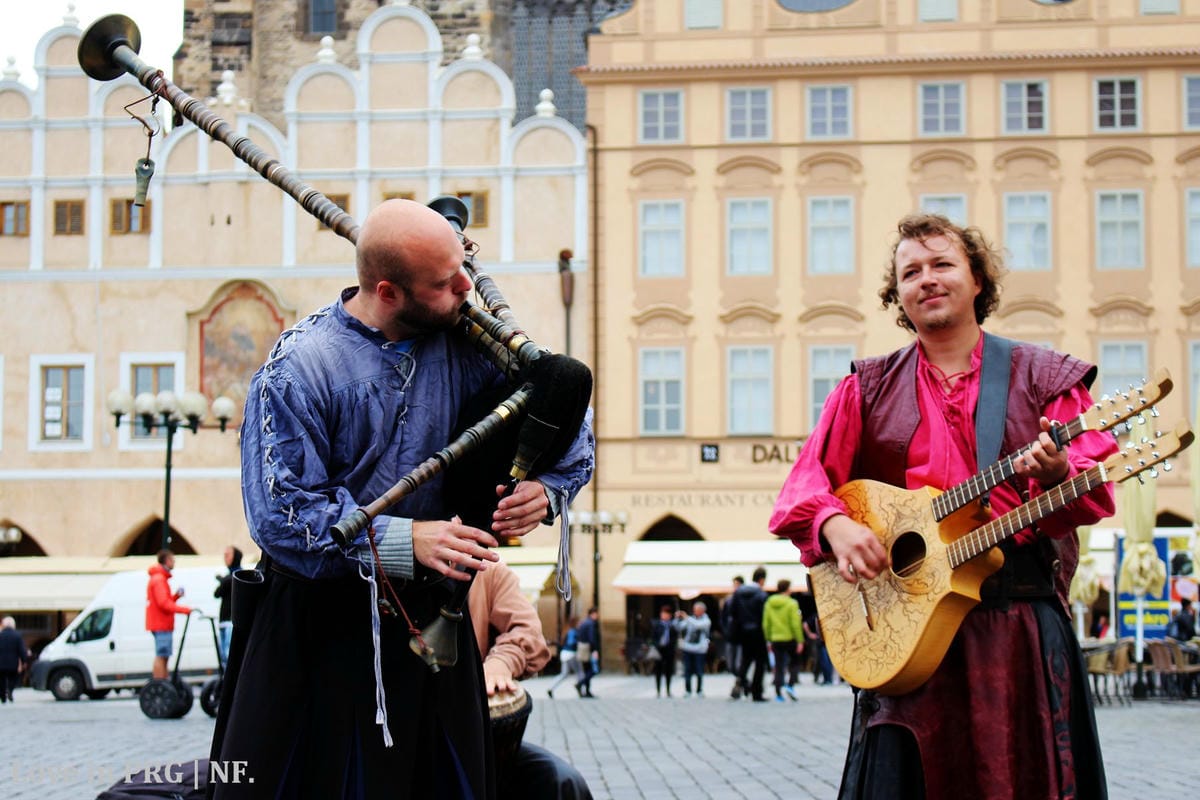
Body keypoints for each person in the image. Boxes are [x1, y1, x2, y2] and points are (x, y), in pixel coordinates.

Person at [214, 198, 594, 799]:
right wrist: (403, 538)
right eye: (445, 283)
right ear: (388, 292)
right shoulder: (298, 370)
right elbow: (281, 517)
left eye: (462, 269)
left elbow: (565, 405)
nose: (467, 288)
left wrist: (549, 491)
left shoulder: (466, 342)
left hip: (429, 628)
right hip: (320, 630)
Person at [769, 213, 1117, 799]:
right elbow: (803, 488)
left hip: (1018, 635)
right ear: (899, 295)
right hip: (908, 636)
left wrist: (1058, 476)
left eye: (942, 264)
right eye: (911, 271)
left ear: (977, 279)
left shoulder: (1044, 378)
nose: (926, 279)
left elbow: (1090, 479)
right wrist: (833, 525)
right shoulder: (866, 388)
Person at [467, 560, 592, 800]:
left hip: (475, 737)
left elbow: (528, 632)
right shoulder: (378, 558)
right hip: (398, 735)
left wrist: (501, 662)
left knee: (563, 782)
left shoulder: (486, 569)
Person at [146, 549, 192, 680]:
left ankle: (163, 683)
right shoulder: (159, 579)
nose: (174, 562)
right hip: (161, 624)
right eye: (172, 560)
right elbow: (164, 604)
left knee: (164, 655)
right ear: (166, 560)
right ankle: (160, 684)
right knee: (162, 655)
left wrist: (176, 596)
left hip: (162, 623)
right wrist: (185, 610)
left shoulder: (159, 579)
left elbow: (164, 601)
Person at [727, 566, 769, 701]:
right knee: (760, 662)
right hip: (758, 631)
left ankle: (741, 682)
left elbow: (732, 611)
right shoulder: (761, 595)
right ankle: (756, 692)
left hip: (743, 632)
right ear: (762, 580)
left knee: (745, 660)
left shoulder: (738, 593)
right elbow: (765, 616)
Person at [762, 579, 803, 703]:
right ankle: (790, 685)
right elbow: (795, 623)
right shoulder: (792, 603)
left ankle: (778, 693)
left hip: (775, 638)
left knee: (779, 666)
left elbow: (766, 623)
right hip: (790, 638)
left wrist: (768, 638)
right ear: (788, 588)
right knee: (795, 662)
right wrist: (800, 640)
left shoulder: (769, 603)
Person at [212, 545, 243, 665]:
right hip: (224, 620)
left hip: (232, 621)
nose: (225, 558)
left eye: (228, 555)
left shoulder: (238, 575)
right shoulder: (230, 577)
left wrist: (223, 581)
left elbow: (219, 591)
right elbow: (217, 593)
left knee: (229, 654)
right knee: (224, 656)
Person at [676, 601, 712, 698]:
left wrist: (686, 617)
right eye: (695, 610)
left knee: (699, 670)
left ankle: (699, 690)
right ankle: (688, 690)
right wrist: (677, 618)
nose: (696, 612)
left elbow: (697, 625)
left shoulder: (706, 620)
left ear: (703, 611)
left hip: (700, 650)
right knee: (687, 670)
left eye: (698, 610)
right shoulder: (690, 619)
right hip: (688, 648)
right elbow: (679, 627)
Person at [545, 616, 580, 699]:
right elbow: (571, 643)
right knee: (580, 673)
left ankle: (551, 688)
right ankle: (579, 686)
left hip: (564, 654)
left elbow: (561, 643)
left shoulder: (567, 631)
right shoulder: (573, 632)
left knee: (564, 674)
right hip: (571, 654)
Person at [0, 616, 32, 703]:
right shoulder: (17, 636)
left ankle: (3, 696)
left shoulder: (0, 635)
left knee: (1, 680)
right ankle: (10, 690)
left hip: (1, 663)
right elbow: (21, 650)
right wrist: (24, 660)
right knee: (13, 678)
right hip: (12, 663)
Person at [649, 605, 678, 698]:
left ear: (670, 615)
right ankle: (658, 691)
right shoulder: (657, 625)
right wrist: (657, 645)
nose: (664, 615)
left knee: (669, 671)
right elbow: (653, 637)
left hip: (669, 650)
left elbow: (675, 638)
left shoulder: (672, 625)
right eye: (663, 613)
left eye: (666, 614)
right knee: (658, 670)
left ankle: (668, 690)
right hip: (659, 650)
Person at [720, 575, 744, 677]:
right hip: (731, 633)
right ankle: (735, 673)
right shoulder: (729, 600)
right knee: (731, 659)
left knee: (740, 659)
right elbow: (723, 617)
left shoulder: (744, 599)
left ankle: (739, 676)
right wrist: (726, 630)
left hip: (742, 633)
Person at [575, 608, 600, 698]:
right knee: (593, 670)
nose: (597, 616)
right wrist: (594, 650)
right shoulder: (591, 624)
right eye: (596, 614)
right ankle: (580, 684)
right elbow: (592, 638)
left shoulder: (584, 622)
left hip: (581, 647)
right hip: (587, 648)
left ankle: (587, 691)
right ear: (592, 614)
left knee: (587, 670)